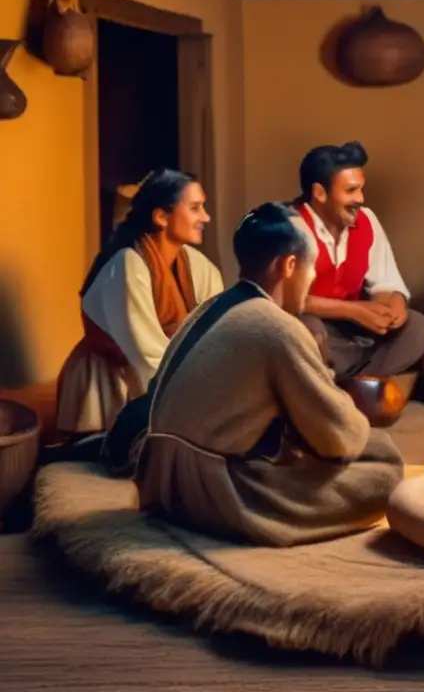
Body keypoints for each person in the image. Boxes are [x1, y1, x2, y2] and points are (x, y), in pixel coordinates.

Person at [133, 202, 405, 548]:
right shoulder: (276, 327)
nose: (311, 280)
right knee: (383, 464)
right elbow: (338, 437)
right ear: (289, 266)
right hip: (213, 492)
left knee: (353, 447)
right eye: (311, 269)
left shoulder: (210, 307)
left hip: (158, 480)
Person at [55, 169, 224, 440]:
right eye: (195, 208)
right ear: (160, 217)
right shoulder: (126, 265)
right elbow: (147, 353)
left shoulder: (200, 268)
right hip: (108, 388)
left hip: (163, 381)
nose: (205, 217)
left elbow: (214, 332)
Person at [291, 142, 424, 380]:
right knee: (306, 332)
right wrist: (352, 310)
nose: (361, 199)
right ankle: (334, 380)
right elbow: (285, 299)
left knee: (417, 327)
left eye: (361, 189)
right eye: (351, 191)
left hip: (353, 335)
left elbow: (385, 282)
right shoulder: (290, 225)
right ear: (319, 192)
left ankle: (343, 380)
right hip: (315, 326)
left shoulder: (366, 220)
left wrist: (392, 307)